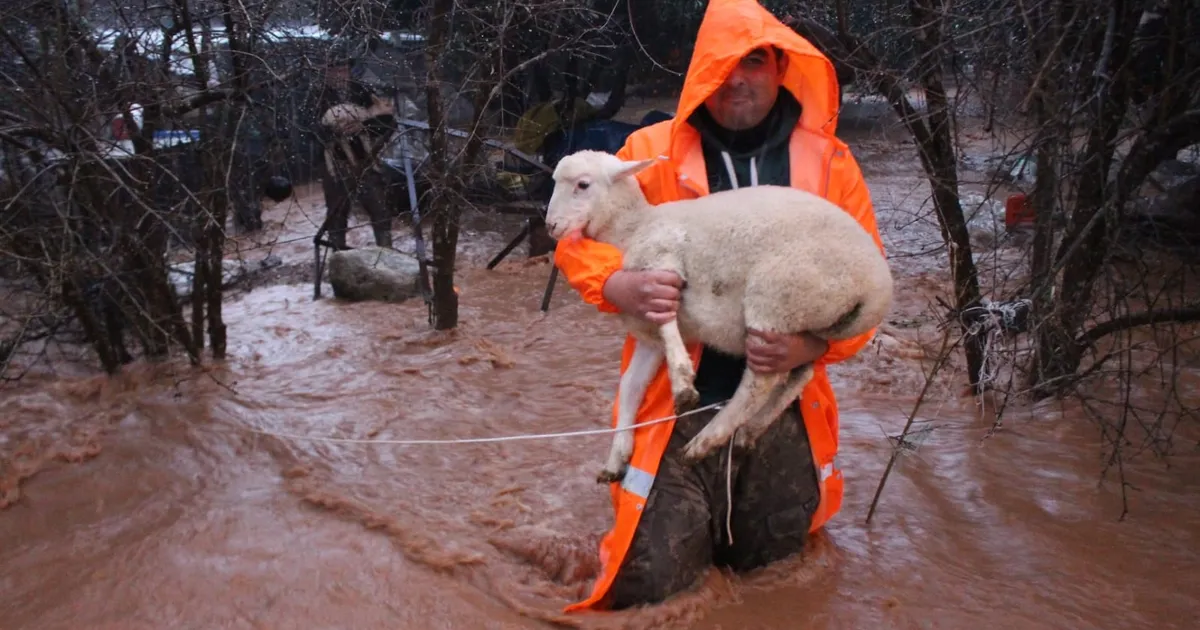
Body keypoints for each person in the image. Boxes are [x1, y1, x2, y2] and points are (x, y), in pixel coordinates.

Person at [553, 0, 887, 612]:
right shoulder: (649, 150)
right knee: (646, 589)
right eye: (724, 64)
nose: (737, 78)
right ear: (703, 70)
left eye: (754, 62)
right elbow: (573, 236)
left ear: (780, 67)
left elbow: (867, 288)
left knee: (774, 575)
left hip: (784, 407)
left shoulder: (831, 163)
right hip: (670, 405)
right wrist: (616, 285)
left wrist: (815, 345)